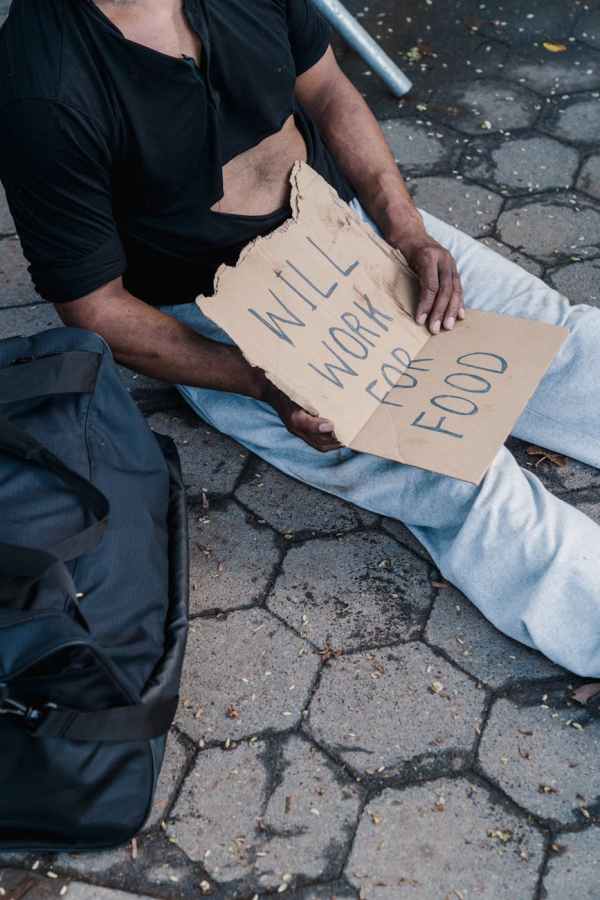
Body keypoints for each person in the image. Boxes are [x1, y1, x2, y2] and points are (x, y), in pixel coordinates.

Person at [1, 0, 600, 684]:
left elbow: (328, 89)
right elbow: (96, 308)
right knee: (468, 475)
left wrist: (407, 231)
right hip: (232, 311)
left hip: (345, 227)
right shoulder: (40, 86)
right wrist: (260, 381)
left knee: (562, 344)